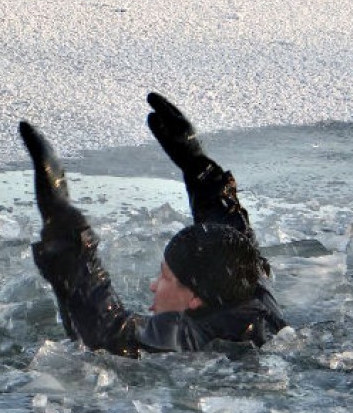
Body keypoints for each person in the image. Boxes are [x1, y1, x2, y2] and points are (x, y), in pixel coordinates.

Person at [19, 92, 287, 357]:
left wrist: (59, 216)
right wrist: (198, 166)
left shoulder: (192, 338)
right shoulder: (257, 301)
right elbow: (236, 249)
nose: (153, 286)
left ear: (195, 299)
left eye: (166, 278)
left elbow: (108, 333)